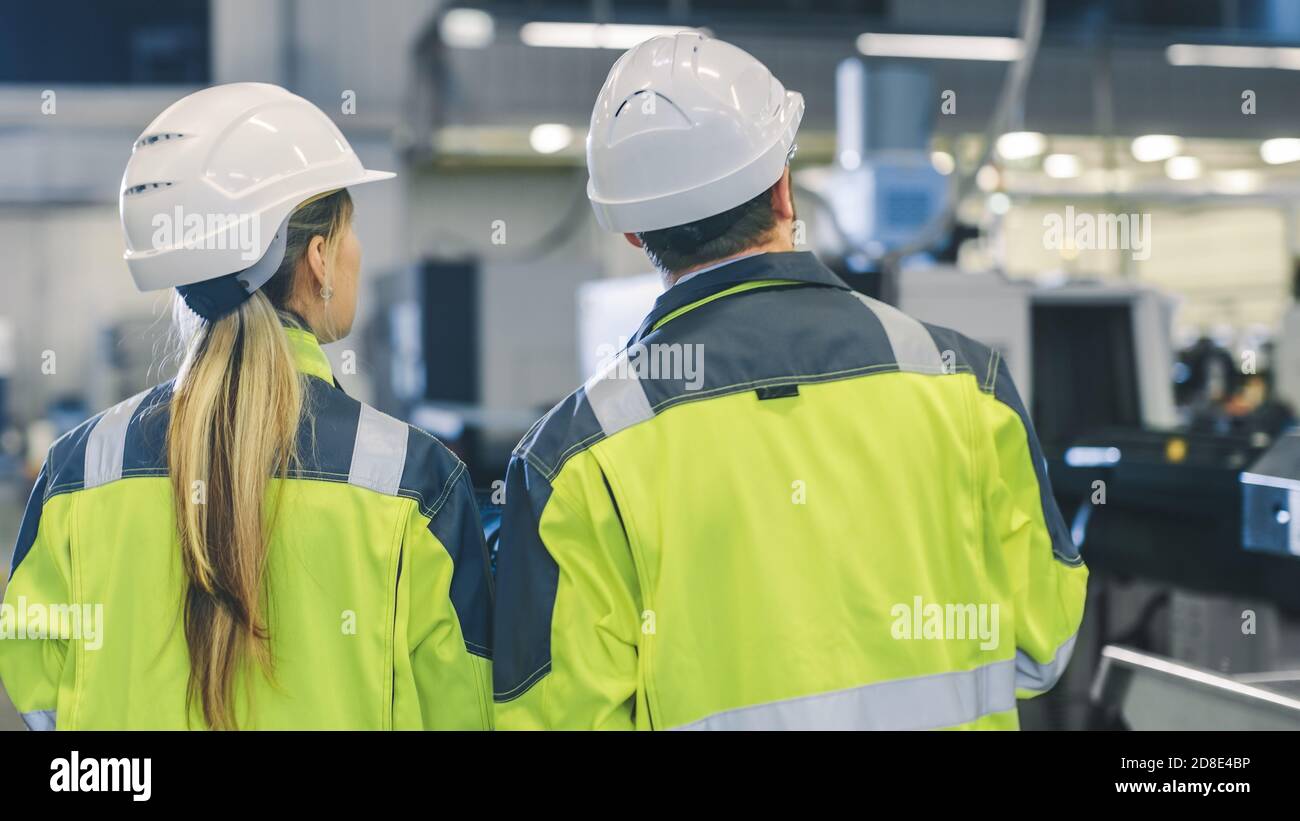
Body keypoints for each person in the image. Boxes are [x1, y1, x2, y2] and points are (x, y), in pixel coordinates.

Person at [493, 33, 1086, 730]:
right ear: (783, 188)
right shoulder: (964, 382)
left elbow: (556, 716)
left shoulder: (573, 461)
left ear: (632, 233)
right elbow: (1045, 643)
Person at [0, 83, 493, 730]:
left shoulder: (78, 469)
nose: (356, 252)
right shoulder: (414, 481)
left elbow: (37, 688)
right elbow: (464, 709)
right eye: (351, 230)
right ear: (319, 258)